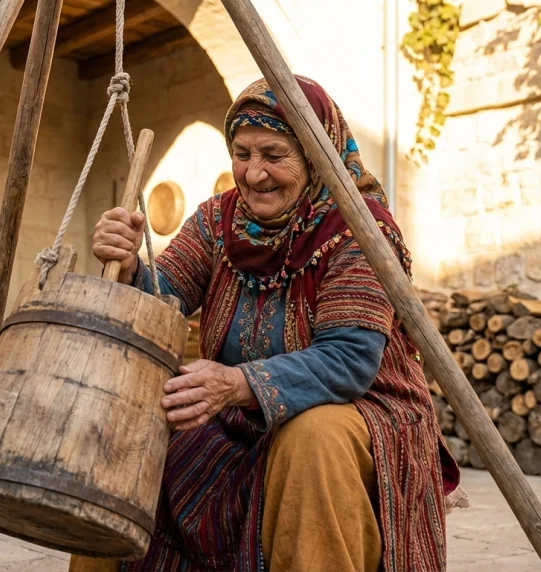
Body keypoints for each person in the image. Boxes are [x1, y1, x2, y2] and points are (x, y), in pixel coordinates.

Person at [72, 76, 466, 572]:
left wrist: (238, 383)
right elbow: (162, 298)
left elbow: (348, 361)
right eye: (241, 153)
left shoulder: (360, 230)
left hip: (359, 412)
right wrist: (130, 265)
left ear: (314, 157)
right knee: (127, 415)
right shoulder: (219, 221)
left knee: (311, 436)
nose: (253, 173)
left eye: (274, 155)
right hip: (239, 415)